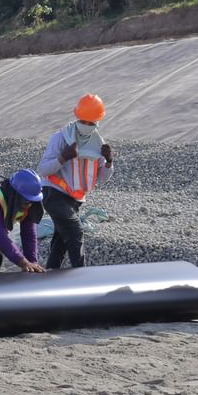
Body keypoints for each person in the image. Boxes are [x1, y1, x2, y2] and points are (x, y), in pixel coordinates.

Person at [37, 94, 113, 268]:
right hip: (53, 193)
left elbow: (102, 178)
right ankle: (82, 277)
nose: (86, 126)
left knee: (61, 241)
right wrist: (64, 157)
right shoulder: (61, 138)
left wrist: (109, 162)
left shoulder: (98, 144)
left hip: (74, 200)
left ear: (97, 122)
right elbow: (43, 170)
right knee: (75, 231)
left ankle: (51, 275)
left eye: (91, 123)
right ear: (77, 117)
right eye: (83, 121)